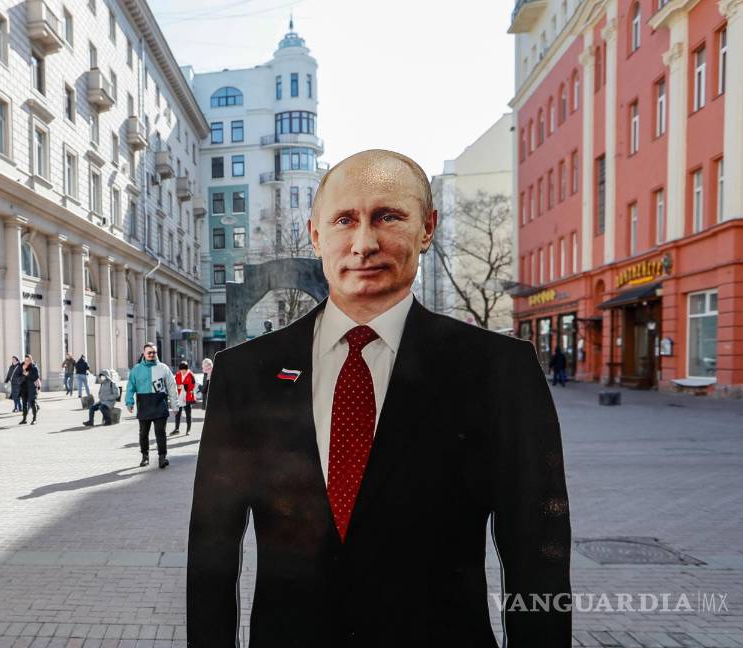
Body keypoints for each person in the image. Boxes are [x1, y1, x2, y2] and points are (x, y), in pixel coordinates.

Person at [187, 150, 571, 646]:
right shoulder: (246, 372)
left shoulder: (499, 370)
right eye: (345, 219)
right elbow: (212, 550)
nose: (364, 243)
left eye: (388, 216)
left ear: (427, 229)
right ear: (316, 234)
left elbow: (538, 553)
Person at [124, 343, 177, 469]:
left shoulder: (163, 368)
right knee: (143, 433)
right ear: (144, 353)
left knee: (161, 433)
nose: (152, 354)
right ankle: (145, 456)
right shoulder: (136, 369)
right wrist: (129, 402)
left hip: (160, 405)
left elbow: (172, 387)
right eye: (149, 352)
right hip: (144, 404)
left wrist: (175, 405)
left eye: (154, 352)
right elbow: (130, 387)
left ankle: (162, 457)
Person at [171, 361, 196, 436]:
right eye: (181, 370)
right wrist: (177, 387)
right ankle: (177, 429)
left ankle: (188, 430)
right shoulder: (178, 374)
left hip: (187, 397)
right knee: (177, 414)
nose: (182, 372)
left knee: (188, 414)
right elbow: (175, 383)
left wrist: (184, 386)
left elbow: (193, 386)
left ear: (186, 369)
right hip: (179, 397)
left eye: (184, 371)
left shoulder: (190, 374)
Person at [18, 355, 40, 425]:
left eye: (28, 360)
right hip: (23, 388)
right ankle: (24, 419)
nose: (26, 361)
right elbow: (18, 377)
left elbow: (36, 377)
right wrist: (23, 371)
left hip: (31, 388)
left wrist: (28, 374)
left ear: (30, 360)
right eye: (25, 360)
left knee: (32, 403)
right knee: (24, 404)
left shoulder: (34, 367)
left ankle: (34, 419)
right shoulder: (21, 367)